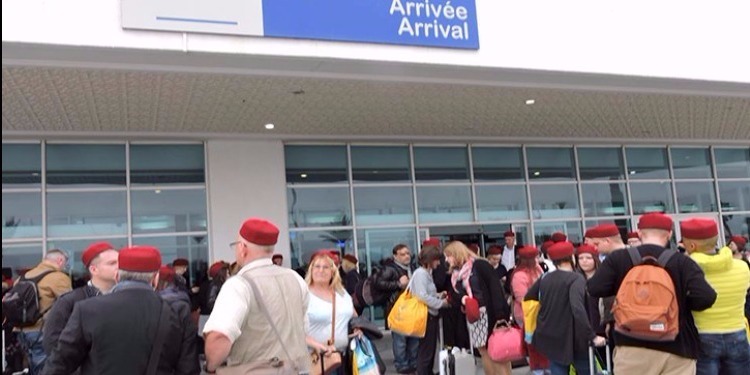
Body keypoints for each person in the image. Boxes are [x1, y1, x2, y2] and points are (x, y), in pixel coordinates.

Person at [587, 212, 718, 375]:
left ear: (640, 233)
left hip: (630, 345)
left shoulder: (618, 259)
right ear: (669, 234)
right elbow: (706, 297)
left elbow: (594, 288)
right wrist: (679, 302)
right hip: (677, 346)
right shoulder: (682, 262)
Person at [43, 246, 199, 375]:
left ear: (117, 276)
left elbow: (58, 364)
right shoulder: (177, 313)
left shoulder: (87, 310)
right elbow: (188, 368)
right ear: (155, 278)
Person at [203, 218, 310, 374]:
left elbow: (220, 336)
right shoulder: (295, 279)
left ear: (243, 248)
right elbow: (304, 328)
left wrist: (210, 366)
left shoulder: (238, 285)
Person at [681, 218, 750, 375]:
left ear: (692, 245)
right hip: (738, 334)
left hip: (702, 337)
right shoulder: (742, 267)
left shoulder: (686, 271)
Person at [526, 242, 605, 375]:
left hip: (550, 336)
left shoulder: (546, 278)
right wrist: (591, 336)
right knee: (587, 370)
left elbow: (528, 298)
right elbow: (577, 308)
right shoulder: (576, 279)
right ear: (572, 258)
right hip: (575, 339)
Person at [444, 241, 512, 375]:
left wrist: (500, 315)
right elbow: (454, 294)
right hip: (474, 316)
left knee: (497, 351)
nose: (446, 259)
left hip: (490, 313)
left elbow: (495, 288)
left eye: (448, 255)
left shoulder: (480, 265)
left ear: (457, 253)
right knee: (483, 351)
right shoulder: (456, 274)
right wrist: (463, 298)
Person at [42, 242, 118, 358]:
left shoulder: (127, 297)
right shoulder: (70, 301)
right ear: (94, 269)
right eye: (112, 263)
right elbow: (52, 342)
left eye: (120, 262)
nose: (119, 267)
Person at [304, 251, 360, 375]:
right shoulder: (303, 294)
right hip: (315, 359)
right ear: (311, 270)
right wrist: (318, 345)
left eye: (326, 267)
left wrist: (358, 328)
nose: (321, 270)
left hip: (343, 359)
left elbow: (353, 316)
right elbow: (292, 330)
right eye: (317, 266)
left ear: (333, 271)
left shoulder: (341, 293)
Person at [17, 249, 72, 375]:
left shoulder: (23, 277)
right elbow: (69, 304)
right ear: (60, 260)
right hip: (42, 331)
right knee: (47, 368)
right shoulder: (58, 277)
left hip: (21, 331)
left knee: (32, 367)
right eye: (65, 262)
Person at [374, 243, 418, 374]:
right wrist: (399, 284)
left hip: (412, 308)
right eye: (402, 254)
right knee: (400, 339)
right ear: (395, 256)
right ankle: (402, 364)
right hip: (397, 309)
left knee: (414, 337)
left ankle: (413, 362)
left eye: (407, 253)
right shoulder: (390, 269)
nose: (406, 256)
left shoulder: (413, 267)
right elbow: (379, 283)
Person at [410, 245, 450, 375]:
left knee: (428, 350)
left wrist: (438, 295)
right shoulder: (421, 274)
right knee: (426, 352)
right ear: (430, 259)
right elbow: (422, 296)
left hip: (429, 316)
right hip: (426, 316)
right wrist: (441, 303)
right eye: (437, 260)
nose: (439, 263)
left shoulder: (425, 273)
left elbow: (425, 294)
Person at [510, 246, 549, 375]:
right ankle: (538, 370)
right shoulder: (519, 275)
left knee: (543, 347)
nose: (538, 259)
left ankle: (545, 368)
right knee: (533, 347)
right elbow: (523, 299)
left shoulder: (538, 269)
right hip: (526, 315)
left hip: (541, 313)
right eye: (536, 257)